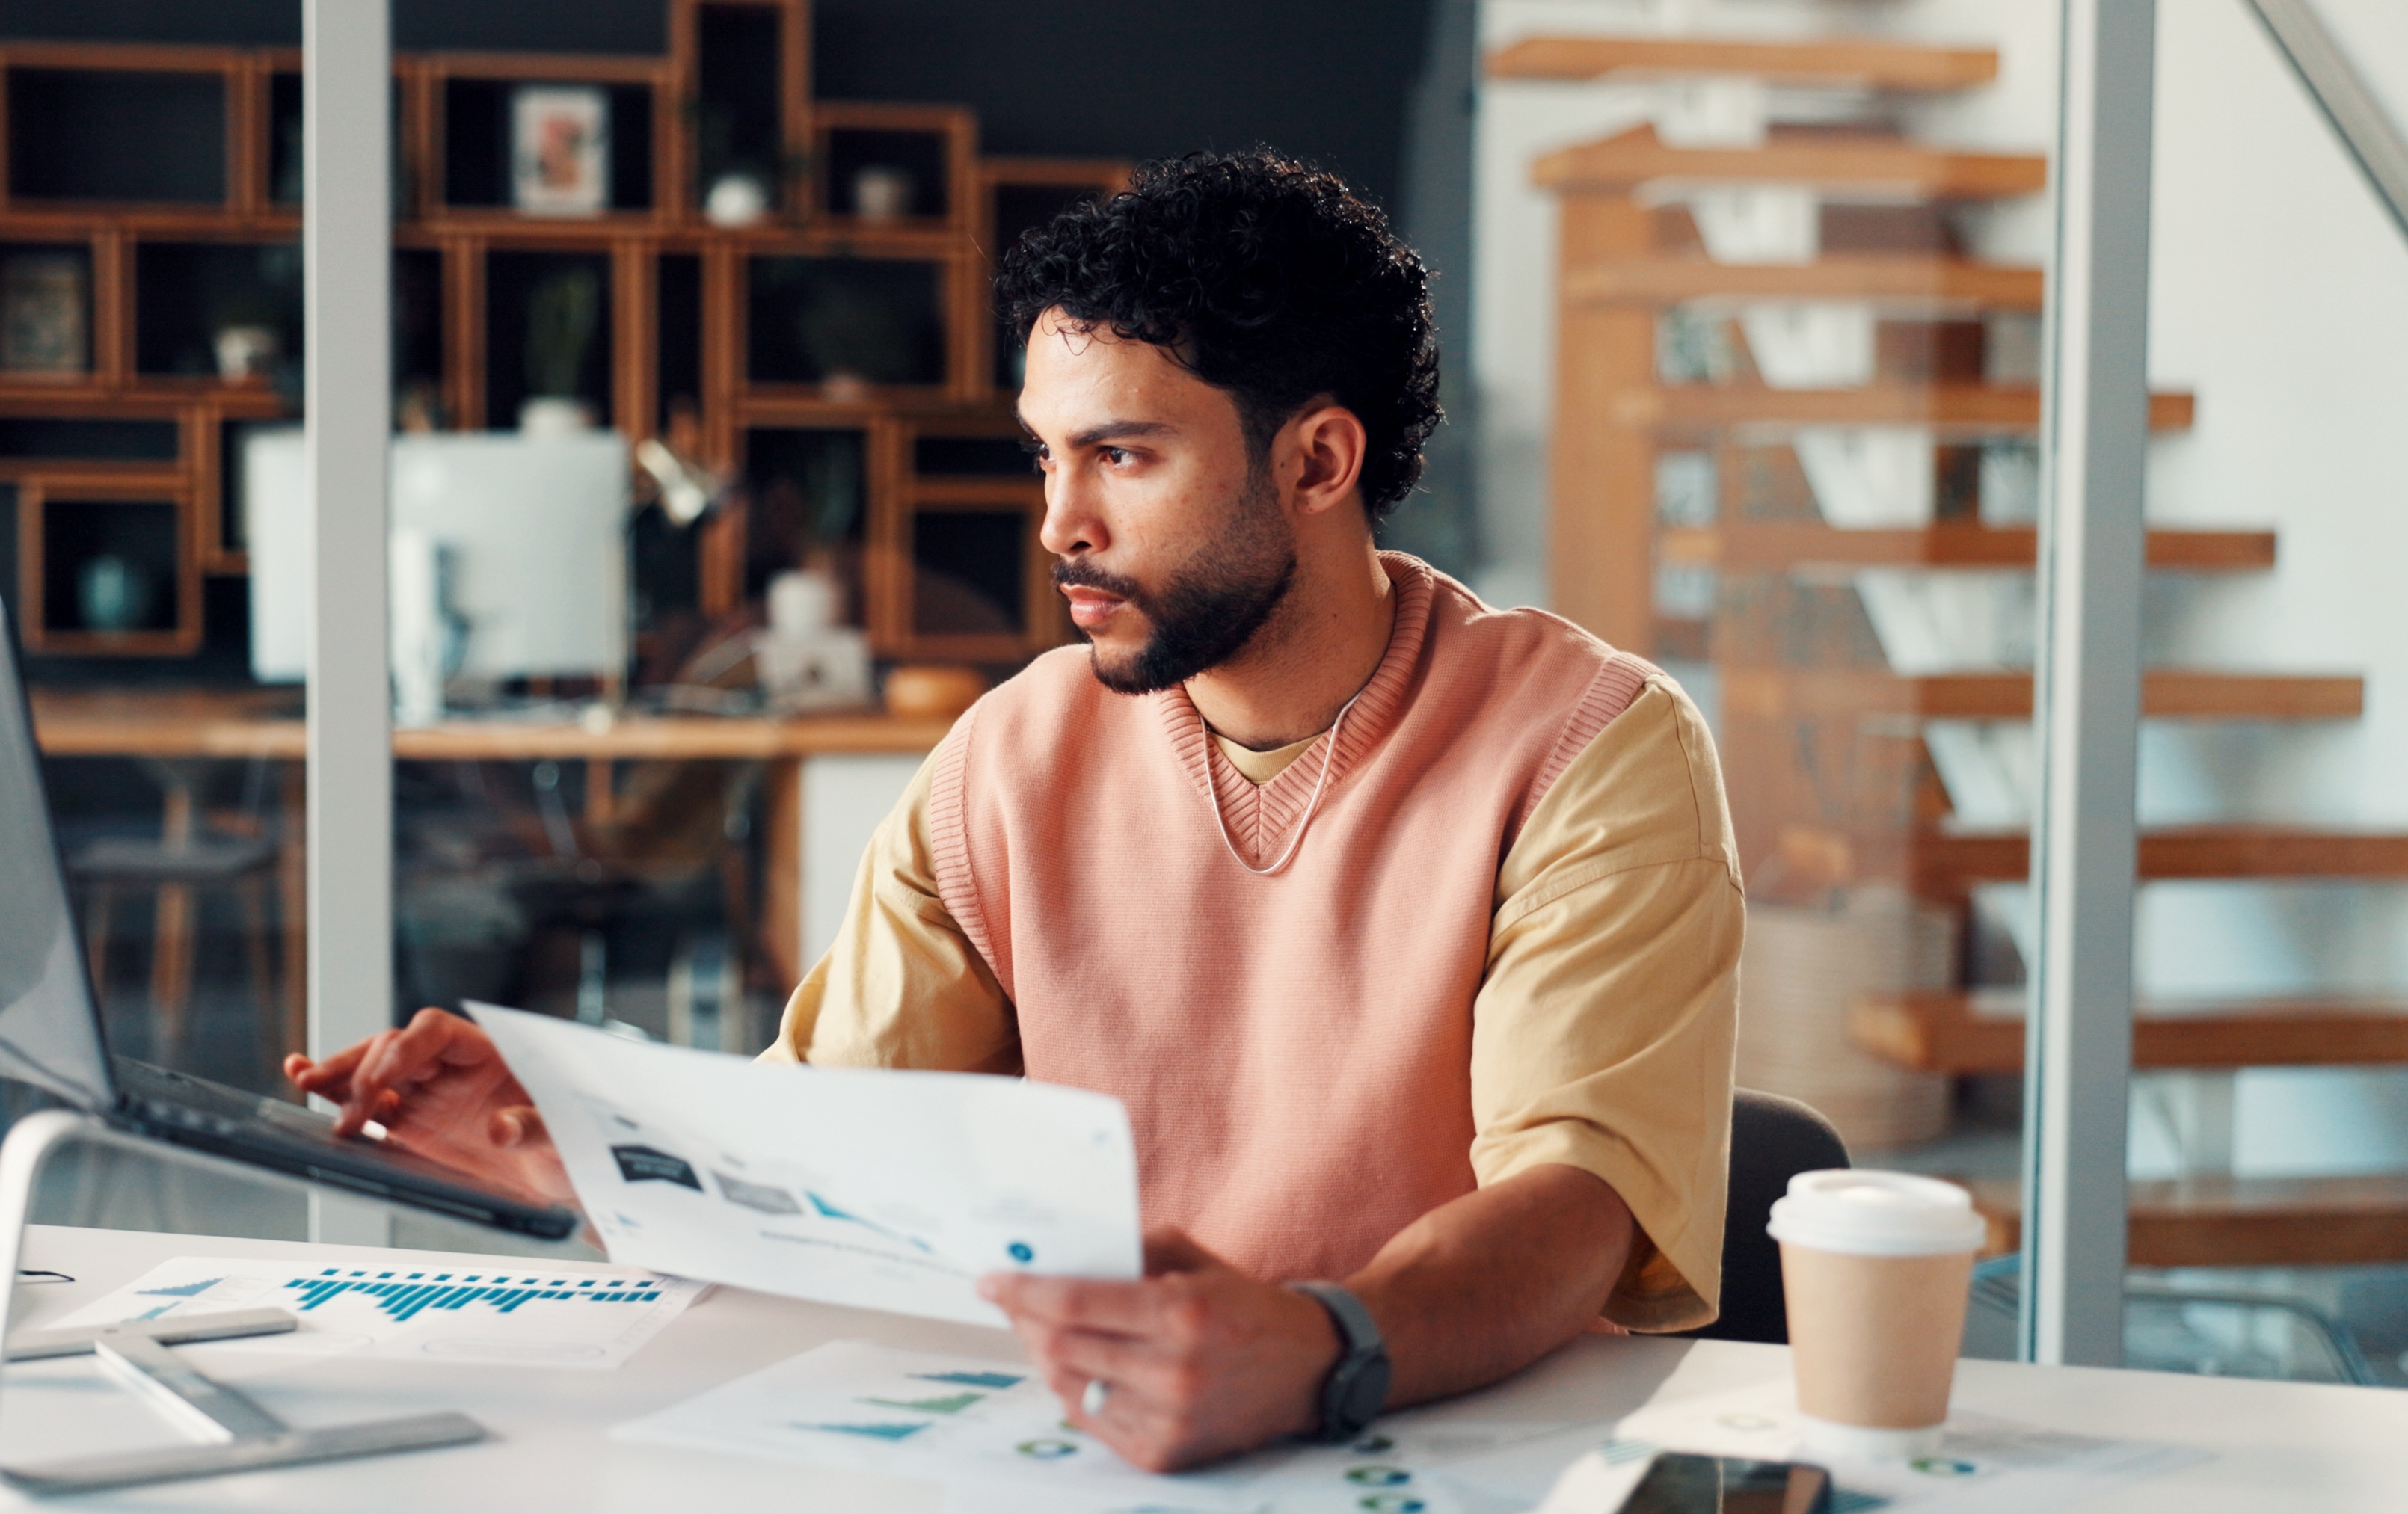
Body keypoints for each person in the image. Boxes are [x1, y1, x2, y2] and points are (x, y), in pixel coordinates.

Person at [290, 147, 1739, 1474]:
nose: (1060, 522)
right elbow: (823, 1147)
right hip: (1092, 1442)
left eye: (1123, 454)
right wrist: (579, 1146)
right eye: (1048, 455)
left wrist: (1322, 1348)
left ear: (1316, 461)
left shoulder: (1589, 744)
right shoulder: (1010, 753)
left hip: (1460, 1448)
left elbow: (1576, 1205)